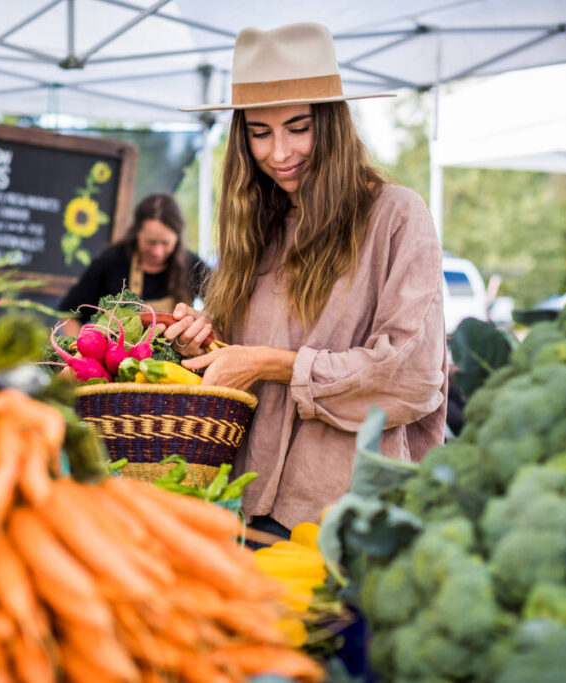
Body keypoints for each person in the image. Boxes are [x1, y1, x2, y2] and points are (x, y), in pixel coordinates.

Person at [162, 22, 449, 533]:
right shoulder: (257, 226)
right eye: (259, 133)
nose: (279, 153)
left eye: (298, 128)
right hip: (246, 503)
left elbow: (410, 378)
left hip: (352, 514)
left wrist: (271, 364)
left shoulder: (396, 216)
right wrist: (202, 345)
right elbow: (239, 361)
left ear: (333, 123)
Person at [57, 193, 209, 335]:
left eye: (165, 243)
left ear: (177, 238)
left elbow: (224, 309)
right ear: (137, 232)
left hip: (177, 363)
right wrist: (79, 355)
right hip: (117, 361)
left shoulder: (192, 265)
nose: (157, 251)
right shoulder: (112, 261)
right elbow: (69, 314)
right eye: (151, 242)